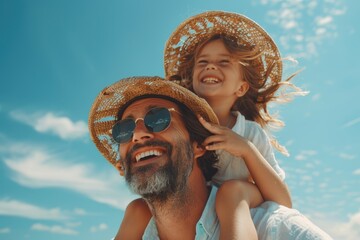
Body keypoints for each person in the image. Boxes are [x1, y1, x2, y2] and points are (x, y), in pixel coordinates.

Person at [117, 11, 310, 239]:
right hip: (195, 204)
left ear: (241, 88)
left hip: (241, 196)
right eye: (203, 62)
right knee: (137, 207)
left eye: (223, 62)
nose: (210, 67)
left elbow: (282, 201)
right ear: (191, 83)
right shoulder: (182, 127)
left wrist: (247, 150)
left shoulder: (248, 133)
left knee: (231, 193)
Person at [89, 76, 332, 239]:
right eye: (124, 130)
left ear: (198, 146)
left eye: (158, 118)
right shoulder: (133, 225)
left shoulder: (277, 229)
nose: (138, 134)